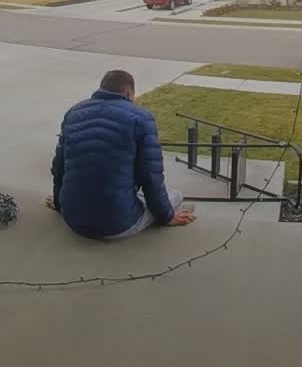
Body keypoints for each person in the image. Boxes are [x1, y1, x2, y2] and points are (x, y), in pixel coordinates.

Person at [47, 69, 196, 239]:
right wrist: (167, 216)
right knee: (175, 195)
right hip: (118, 224)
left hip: (72, 218)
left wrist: (60, 203)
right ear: (128, 93)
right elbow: (151, 177)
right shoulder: (142, 119)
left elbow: (58, 167)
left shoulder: (73, 113)